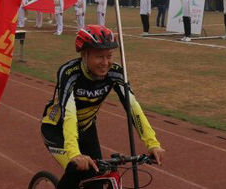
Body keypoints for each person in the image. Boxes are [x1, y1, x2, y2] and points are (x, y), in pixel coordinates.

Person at [40, 25, 165, 189]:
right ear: (84, 54)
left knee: (96, 181)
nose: (105, 63)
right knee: (78, 169)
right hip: (57, 130)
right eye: (99, 57)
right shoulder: (69, 73)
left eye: (109, 56)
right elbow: (68, 114)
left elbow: (134, 108)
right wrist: (74, 153)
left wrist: (152, 143)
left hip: (87, 129)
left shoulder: (115, 72)